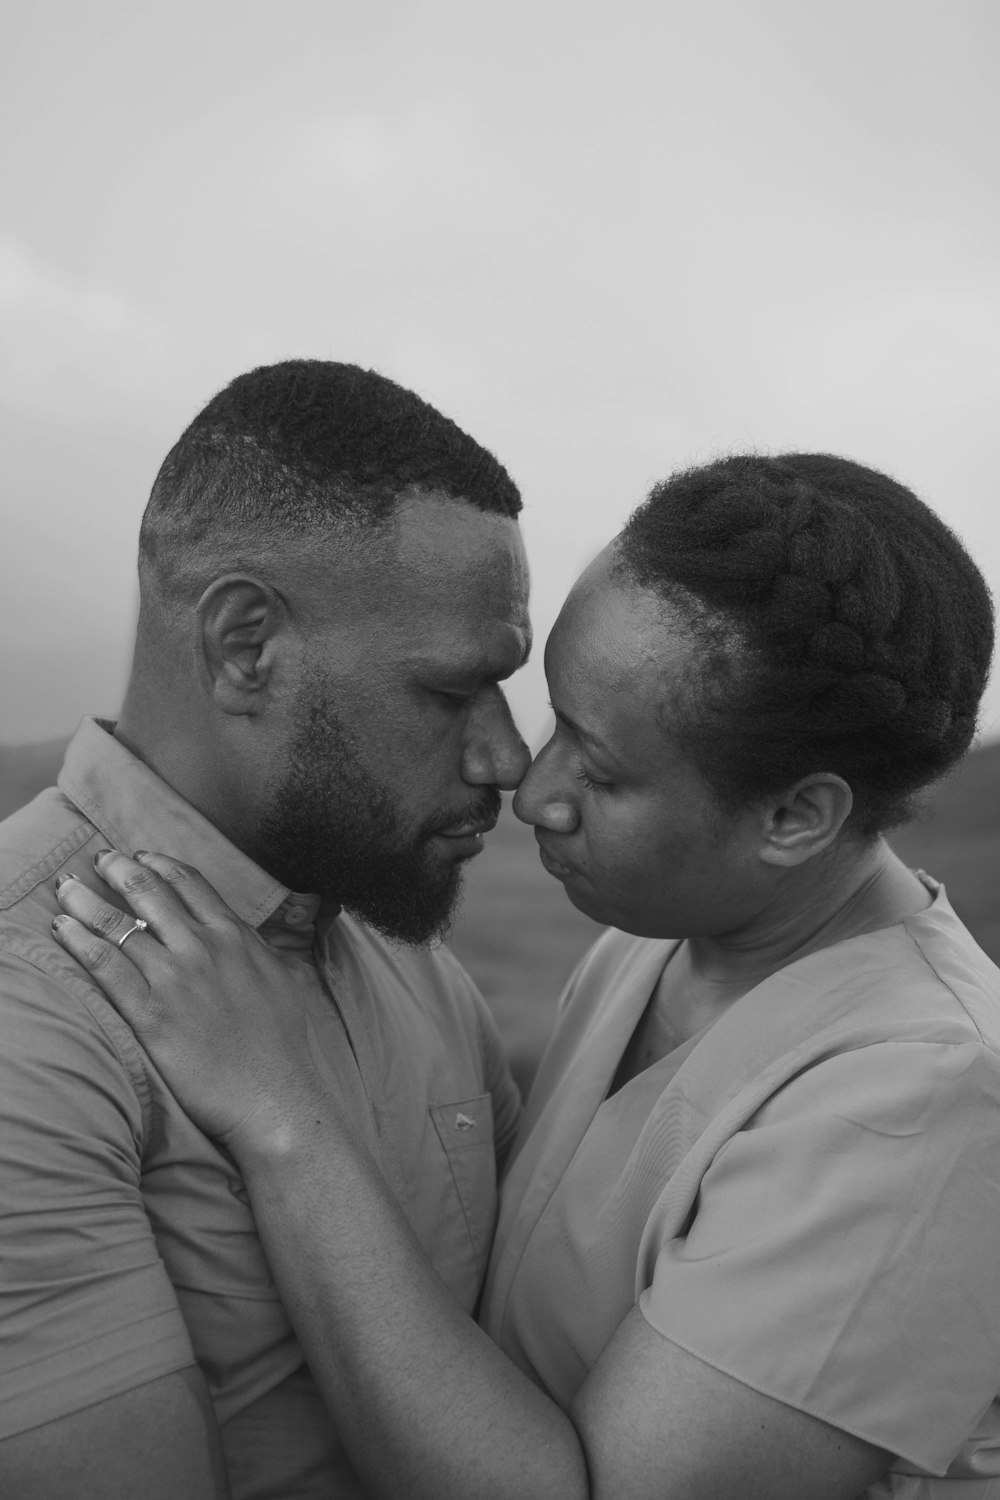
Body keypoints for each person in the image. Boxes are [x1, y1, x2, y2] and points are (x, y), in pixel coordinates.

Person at [55, 453, 1000, 1500]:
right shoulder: (657, 942)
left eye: (599, 770)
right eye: (553, 721)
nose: (531, 789)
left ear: (794, 818)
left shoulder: (924, 1094)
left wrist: (281, 1116)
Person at [0, 360, 533, 1498]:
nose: (507, 761)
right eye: (448, 694)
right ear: (246, 646)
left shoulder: (408, 957)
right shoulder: (23, 1006)